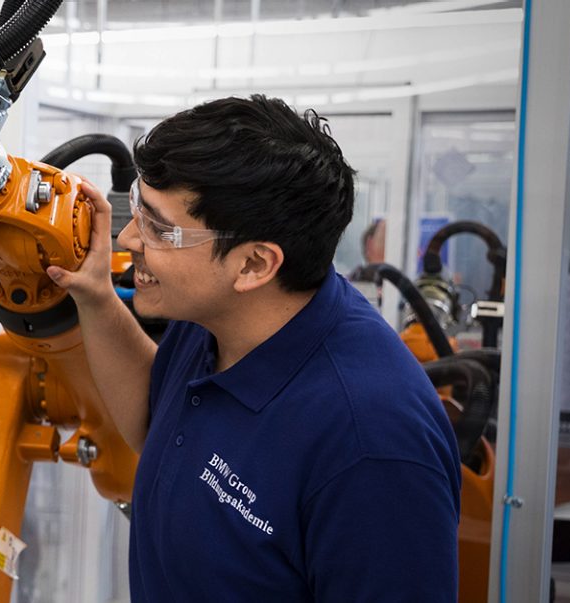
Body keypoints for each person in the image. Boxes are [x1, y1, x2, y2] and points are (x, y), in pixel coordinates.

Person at [45, 95, 460, 601]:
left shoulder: (371, 446)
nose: (129, 238)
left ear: (254, 265)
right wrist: (95, 296)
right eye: (137, 208)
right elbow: (155, 422)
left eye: (158, 227)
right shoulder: (215, 317)